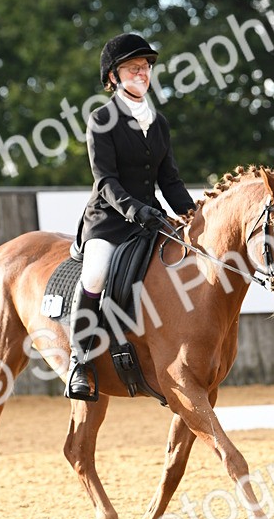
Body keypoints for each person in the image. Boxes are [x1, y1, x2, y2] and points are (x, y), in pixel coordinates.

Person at [65, 32, 196, 400]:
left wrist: (192, 215)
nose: (142, 73)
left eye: (146, 67)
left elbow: (169, 179)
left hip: (150, 220)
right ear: (113, 77)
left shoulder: (159, 122)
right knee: (95, 274)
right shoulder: (101, 119)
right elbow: (105, 180)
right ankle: (81, 362)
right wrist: (138, 210)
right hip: (109, 220)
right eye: (133, 68)